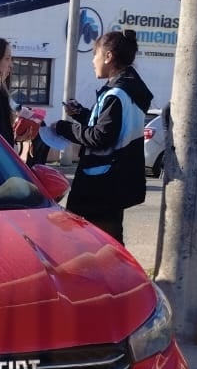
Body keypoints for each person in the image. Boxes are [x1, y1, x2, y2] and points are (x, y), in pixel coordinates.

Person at [51, 30, 153, 243]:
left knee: (95, 244)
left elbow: (100, 136)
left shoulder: (117, 94)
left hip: (101, 185)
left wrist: (64, 128)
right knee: (109, 242)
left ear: (108, 57)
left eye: (94, 54)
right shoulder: (128, 90)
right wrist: (80, 114)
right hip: (115, 181)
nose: (92, 61)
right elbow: (110, 126)